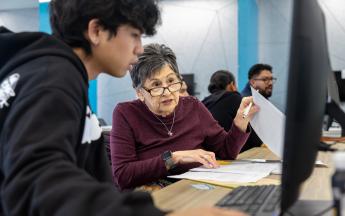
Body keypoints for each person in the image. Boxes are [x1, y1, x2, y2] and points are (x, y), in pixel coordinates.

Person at [0, 0, 248, 215]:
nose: (139, 48)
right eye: (134, 35)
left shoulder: (57, 74)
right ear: (96, 30)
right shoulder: (53, 80)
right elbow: (38, 183)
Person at [110, 43, 258, 191]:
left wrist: (241, 120)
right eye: (156, 85)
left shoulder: (193, 106)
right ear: (140, 93)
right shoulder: (125, 113)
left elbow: (226, 151)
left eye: (171, 81)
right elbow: (123, 175)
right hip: (153, 195)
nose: (167, 92)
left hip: (195, 189)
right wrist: (173, 158)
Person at [202, 70, 262, 152]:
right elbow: (253, 138)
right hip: (230, 152)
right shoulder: (234, 97)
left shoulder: (203, 102)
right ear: (232, 85)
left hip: (208, 153)